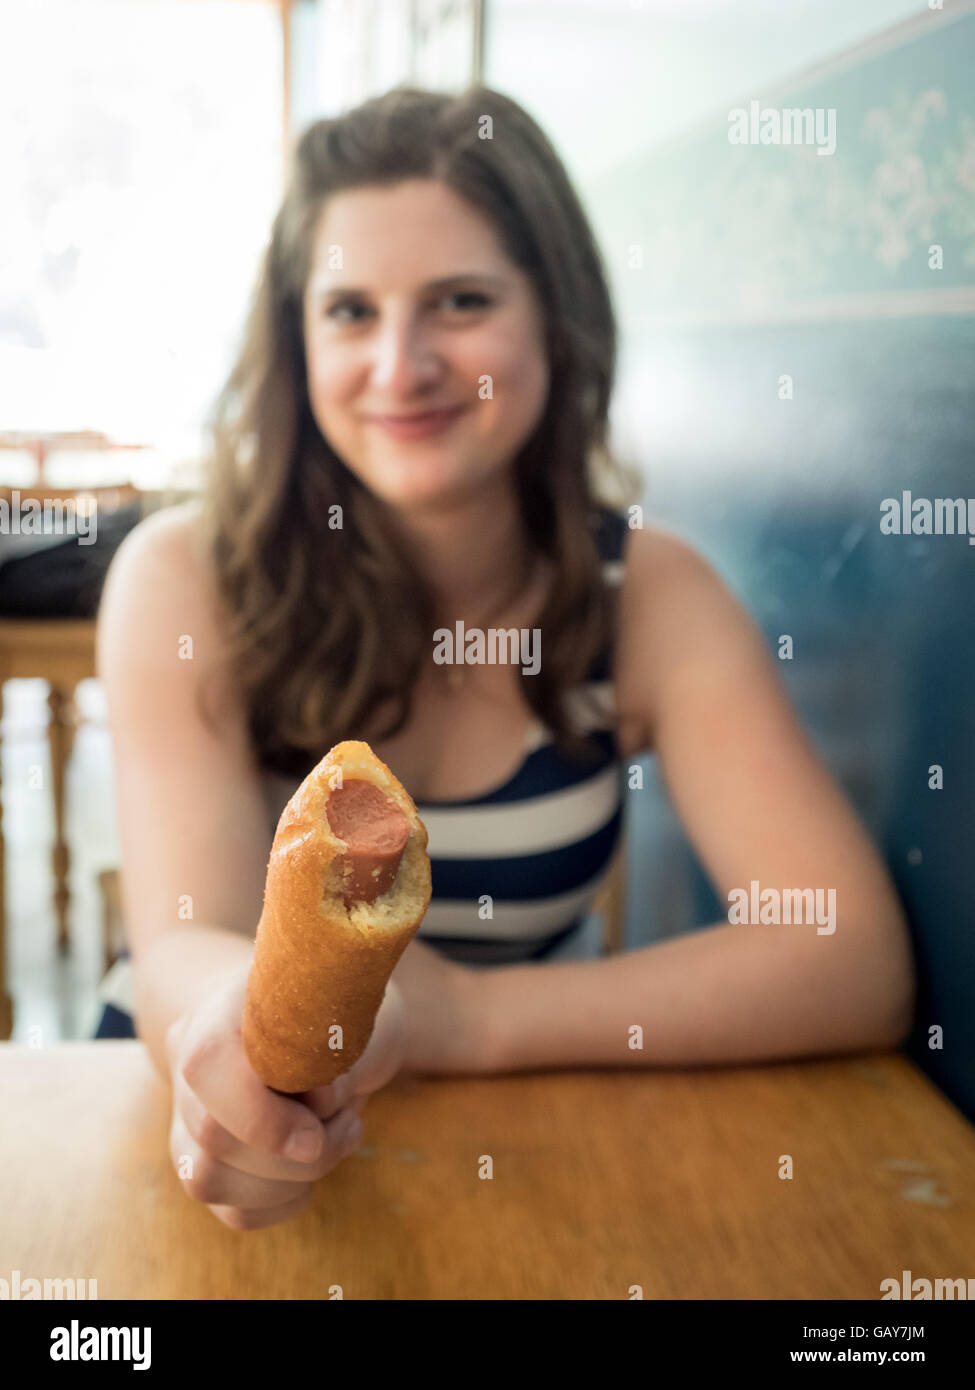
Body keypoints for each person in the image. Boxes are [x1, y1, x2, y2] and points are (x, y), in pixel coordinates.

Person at [93, 85, 915, 1230]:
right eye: (348, 312)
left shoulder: (652, 594)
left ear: (556, 318)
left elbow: (850, 956)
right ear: (296, 341)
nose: (402, 363)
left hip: (528, 1141)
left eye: (461, 300)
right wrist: (231, 1044)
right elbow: (186, 934)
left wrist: (468, 1021)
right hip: (186, 1133)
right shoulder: (184, 578)